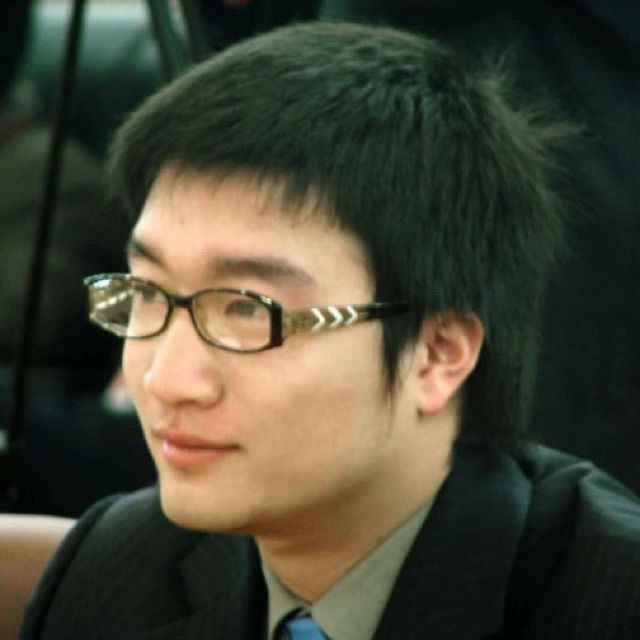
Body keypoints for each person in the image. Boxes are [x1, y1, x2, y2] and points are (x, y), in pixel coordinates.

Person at [21, 21, 640, 639]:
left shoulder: (609, 603)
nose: (167, 380)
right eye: (147, 292)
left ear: (437, 355)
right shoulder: (115, 567)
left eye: (247, 310)